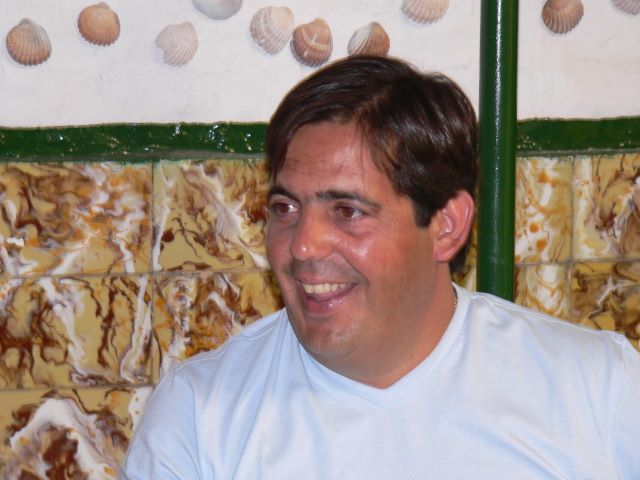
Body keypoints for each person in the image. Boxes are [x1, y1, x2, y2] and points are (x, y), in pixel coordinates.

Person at [120, 56, 640, 479]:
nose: (302, 247)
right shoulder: (199, 416)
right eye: (285, 208)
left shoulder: (597, 388)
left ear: (446, 226)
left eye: (347, 211)